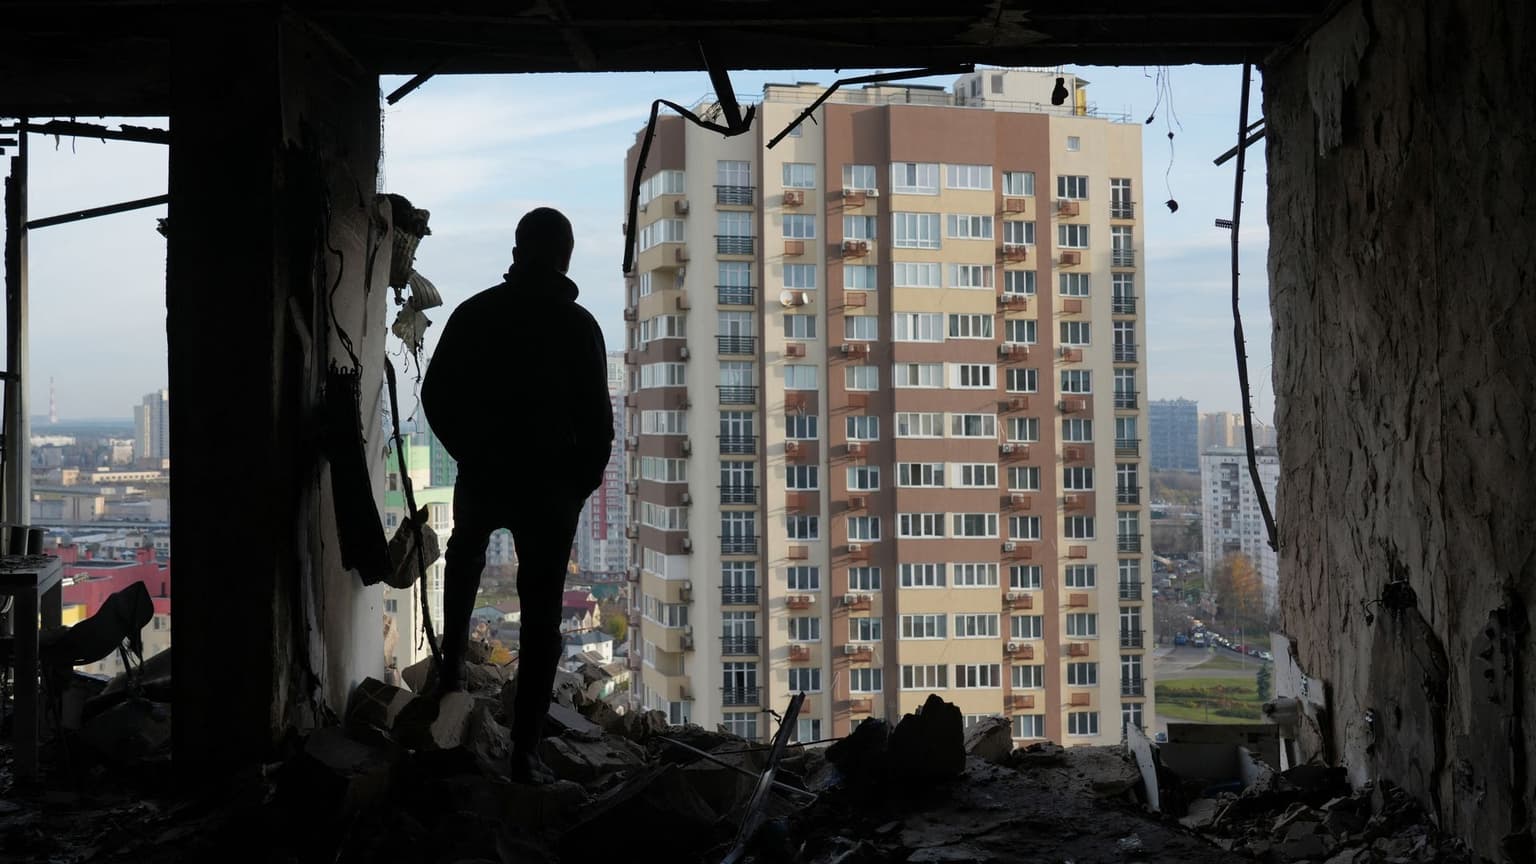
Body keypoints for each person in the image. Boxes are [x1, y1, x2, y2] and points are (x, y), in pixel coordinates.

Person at [420, 207, 612, 783]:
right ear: (566, 257)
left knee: (463, 569)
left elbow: (436, 394)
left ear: (517, 249)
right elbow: (599, 424)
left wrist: (469, 452)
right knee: (541, 616)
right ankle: (525, 751)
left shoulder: (476, 314)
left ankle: (450, 672)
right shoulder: (578, 326)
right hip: (550, 490)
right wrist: (578, 485)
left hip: (488, 474)